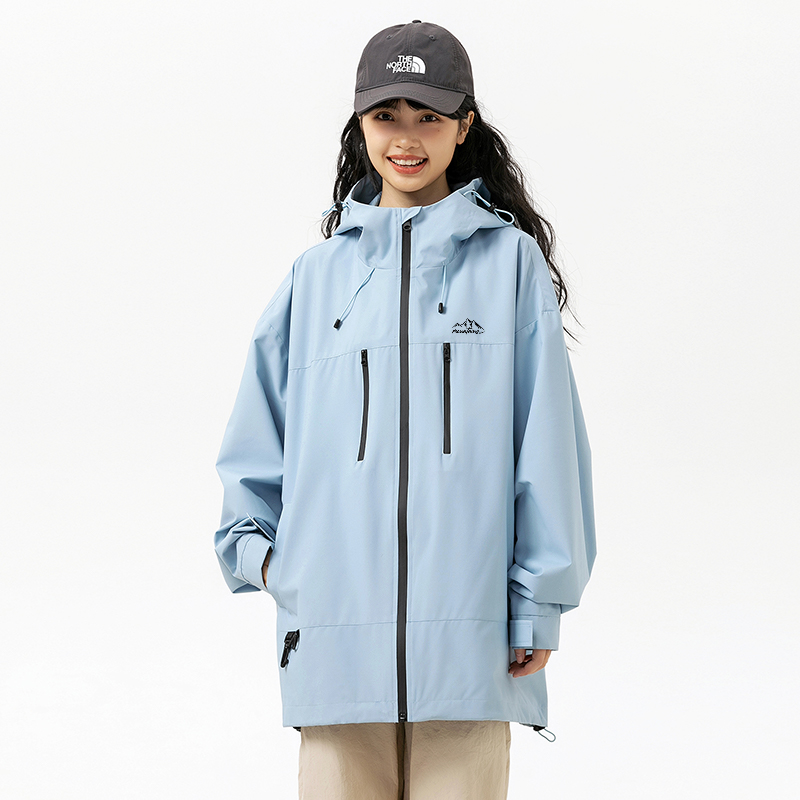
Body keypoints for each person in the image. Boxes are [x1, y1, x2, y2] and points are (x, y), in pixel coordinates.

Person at [214, 19, 597, 800]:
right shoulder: (315, 278)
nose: (407, 138)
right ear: (361, 124)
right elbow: (255, 448)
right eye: (387, 115)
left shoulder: (509, 266)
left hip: (472, 652)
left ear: (464, 126)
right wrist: (275, 566)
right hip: (332, 649)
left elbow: (548, 445)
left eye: (429, 116)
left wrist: (537, 608)